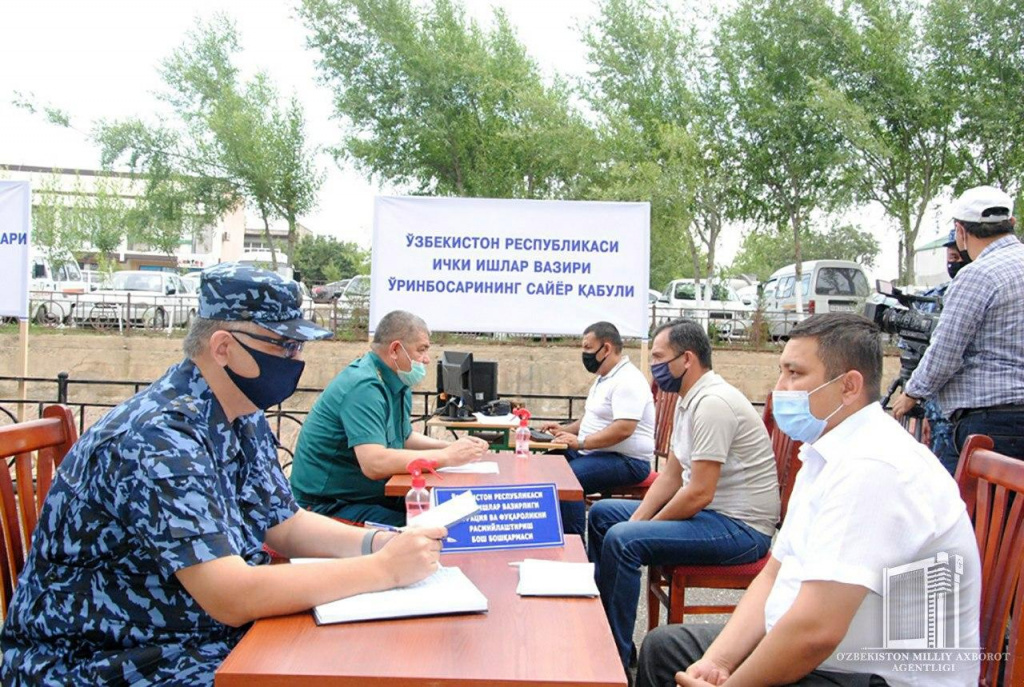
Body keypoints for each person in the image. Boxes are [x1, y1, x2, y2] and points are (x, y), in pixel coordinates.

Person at [0, 264, 448, 685]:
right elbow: (232, 595)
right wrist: (382, 571)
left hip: (189, 637)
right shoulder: (157, 437)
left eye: (298, 347)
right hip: (104, 661)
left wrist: (375, 544)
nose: (295, 359)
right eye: (283, 345)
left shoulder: (238, 412)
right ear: (223, 347)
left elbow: (283, 522)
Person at [638, 313, 981, 687]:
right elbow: (775, 573)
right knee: (666, 650)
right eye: (782, 372)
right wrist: (718, 662)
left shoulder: (874, 466)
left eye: (795, 374)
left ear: (849, 386)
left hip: (874, 674)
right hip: (821, 653)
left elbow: (816, 631)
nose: (779, 388)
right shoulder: (826, 452)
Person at [587, 318, 779, 671]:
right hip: (710, 516)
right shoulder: (687, 400)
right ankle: (602, 627)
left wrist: (643, 529)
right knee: (603, 516)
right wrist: (640, 520)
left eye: (659, 357)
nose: (654, 366)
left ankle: (614, 658)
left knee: (625, 540)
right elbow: (672, 476)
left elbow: (699, 493)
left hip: (741, 530)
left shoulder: (713, 403)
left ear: (686, 359)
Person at [290, 310, 488, 526]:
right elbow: (374, 463)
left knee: (447, 513)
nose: (427, 360)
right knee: (429, 531)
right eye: (421, 350)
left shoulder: (396, 379)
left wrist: (453, 447)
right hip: (326, 507)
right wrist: (447, 457)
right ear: (395, 349)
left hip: (366, 497)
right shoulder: (364, 386)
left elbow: (405, 437)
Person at [893, 185, 1024, 469]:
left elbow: (946, 353)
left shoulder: (977, 275)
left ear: (960, 231)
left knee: (969, 511)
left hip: (990, 424)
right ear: (1011, 224)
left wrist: (911, 393)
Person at [540, 321, 654, 535]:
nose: (584, 354)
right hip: (597, 452)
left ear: (607, 348)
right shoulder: (605, 378)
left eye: (588, 348)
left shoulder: (627, 380)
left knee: (568, 478)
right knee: (547, 464)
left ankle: (574, 544)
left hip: (628, 461)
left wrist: (581, 442)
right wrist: (565, 429)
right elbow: (592, 418)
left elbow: (624, 428)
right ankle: (551, 534)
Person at [905, 228, 971, 473]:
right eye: (950, 258)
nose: (954, 263)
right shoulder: (933, 296)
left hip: (964, 410)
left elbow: (948, 352)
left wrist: (913, 393)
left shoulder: (978, 287)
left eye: (958, 258)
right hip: (936, 407)